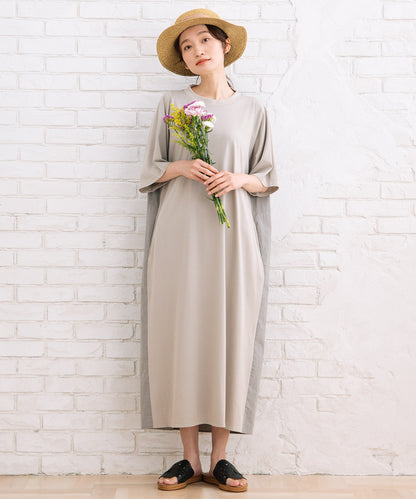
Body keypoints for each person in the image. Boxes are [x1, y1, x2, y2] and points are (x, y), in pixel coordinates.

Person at [139, 8, 279, 493]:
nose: (197, 50)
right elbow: (150, 168)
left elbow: (267, 176)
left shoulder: (254, 109)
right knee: (183, 333)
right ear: (183, 60)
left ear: (224, 46)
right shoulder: (173, 103)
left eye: (204, 40)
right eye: (187, 46)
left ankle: (221, 458)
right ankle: (188, 458)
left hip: (232, 236)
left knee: (228, 334)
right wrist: (183, 167)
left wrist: (236, 178)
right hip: (180, 235)